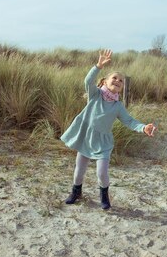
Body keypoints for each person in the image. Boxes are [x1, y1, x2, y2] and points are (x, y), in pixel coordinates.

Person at [60, 49, 156, 210]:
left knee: (102, 173)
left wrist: (143, 127)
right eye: (115, 78)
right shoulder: (95, 95)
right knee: (78, 172)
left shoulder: (118, 106)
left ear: (122, 87)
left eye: (121, 81)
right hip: (86, 138)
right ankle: (76, 193)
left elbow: (130, 121)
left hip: (103, 143)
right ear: (105, 81)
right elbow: (88, 81)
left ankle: (104, 195)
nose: (118, 81)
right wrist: (98, 66)